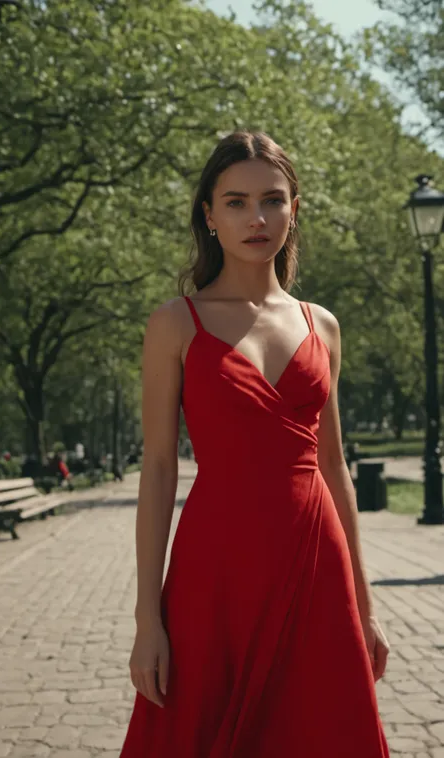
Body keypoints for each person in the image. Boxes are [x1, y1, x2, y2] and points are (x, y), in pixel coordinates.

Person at [119, 131, 390, 757]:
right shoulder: (174, 323)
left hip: (316, 563)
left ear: (294, 209)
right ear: (209, 216)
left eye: (272, 200)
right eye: (236, 202)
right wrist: (146, 619)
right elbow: (158, 468)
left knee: (318, 729)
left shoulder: (321, 324)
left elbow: (334, 468)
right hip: (215, 570)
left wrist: (365, 605)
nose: (256, 218)